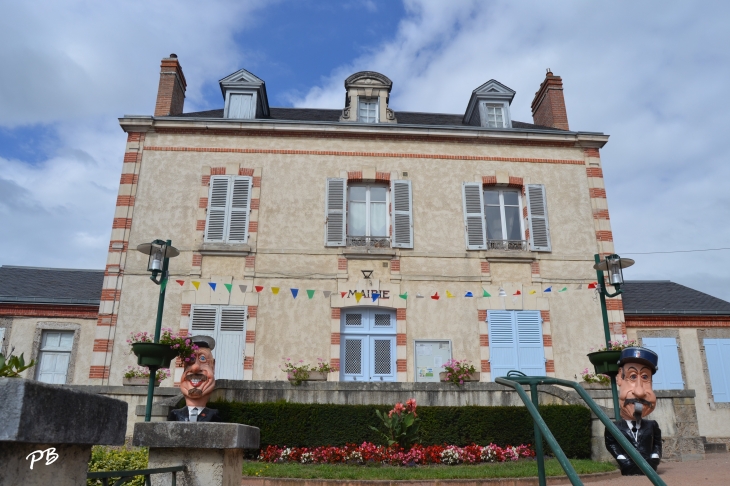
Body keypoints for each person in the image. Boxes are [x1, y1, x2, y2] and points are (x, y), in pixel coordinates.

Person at [604, 346, 661, 475]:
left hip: (649, 468)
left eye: (645, 377)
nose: (639, 392)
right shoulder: (613, 427)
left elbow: (657, 444)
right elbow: (611, 444)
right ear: (619, 377)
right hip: (627, 467)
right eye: (633, 376)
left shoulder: (652, 425)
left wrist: (654, 459)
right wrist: (623, 460)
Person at [167, 335, 222, 422]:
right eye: (191, 359)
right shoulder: (176, 413)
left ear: (213, 367)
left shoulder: (213, 414)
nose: (195, 368)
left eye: (202, 358)